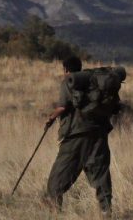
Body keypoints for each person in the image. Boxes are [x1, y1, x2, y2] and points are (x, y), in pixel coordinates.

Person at [45, 56, 113, 213]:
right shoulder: (94, 83)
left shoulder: (68, 82)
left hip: (76, 135)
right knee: (100, 174)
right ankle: (106, 212)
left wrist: (50, 118)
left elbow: (62, 107)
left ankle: (55, 213)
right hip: (98, 133)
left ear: (66, 70)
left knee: (57, 179)